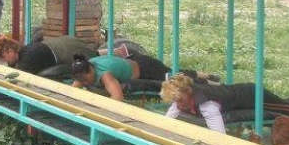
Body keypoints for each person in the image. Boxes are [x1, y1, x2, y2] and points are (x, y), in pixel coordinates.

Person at [161, 74, 289, 134]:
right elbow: (168, 119)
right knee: (288, 104)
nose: (179, 106)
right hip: (240, 97)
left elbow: (218, 135)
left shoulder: (207, 104)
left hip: (251, 95)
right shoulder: (182, 98)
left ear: (189, 93)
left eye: (180, 101)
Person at [70, 53, 213, 102]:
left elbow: (117, 98)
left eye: (84, 80)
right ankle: (201, 74)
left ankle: (205, 80)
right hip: (134, 61)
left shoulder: (105, 75)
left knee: (174, 78)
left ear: (89, 71)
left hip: (146, 68)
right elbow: (72, 91)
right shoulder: (85, 68)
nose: (84, 83)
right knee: (173, 72)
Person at [0, 35, 99, 75]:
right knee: (96, 53)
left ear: (10, 50)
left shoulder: (26, 60)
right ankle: (115, 50)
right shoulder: (25, 50)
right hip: (61, 43)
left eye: (4, 57)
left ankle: (116, 52)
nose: (6, 60)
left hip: (66, 51)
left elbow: (19, 75)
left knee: (95, 59)